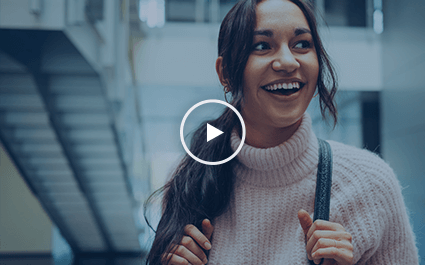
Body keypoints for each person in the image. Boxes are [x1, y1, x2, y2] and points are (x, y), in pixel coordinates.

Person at [145, 0, 419, 264]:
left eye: (302, 44)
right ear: (226, 72)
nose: (287, 62)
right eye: (262, 46)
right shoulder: (191, 179)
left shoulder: (370, 184)